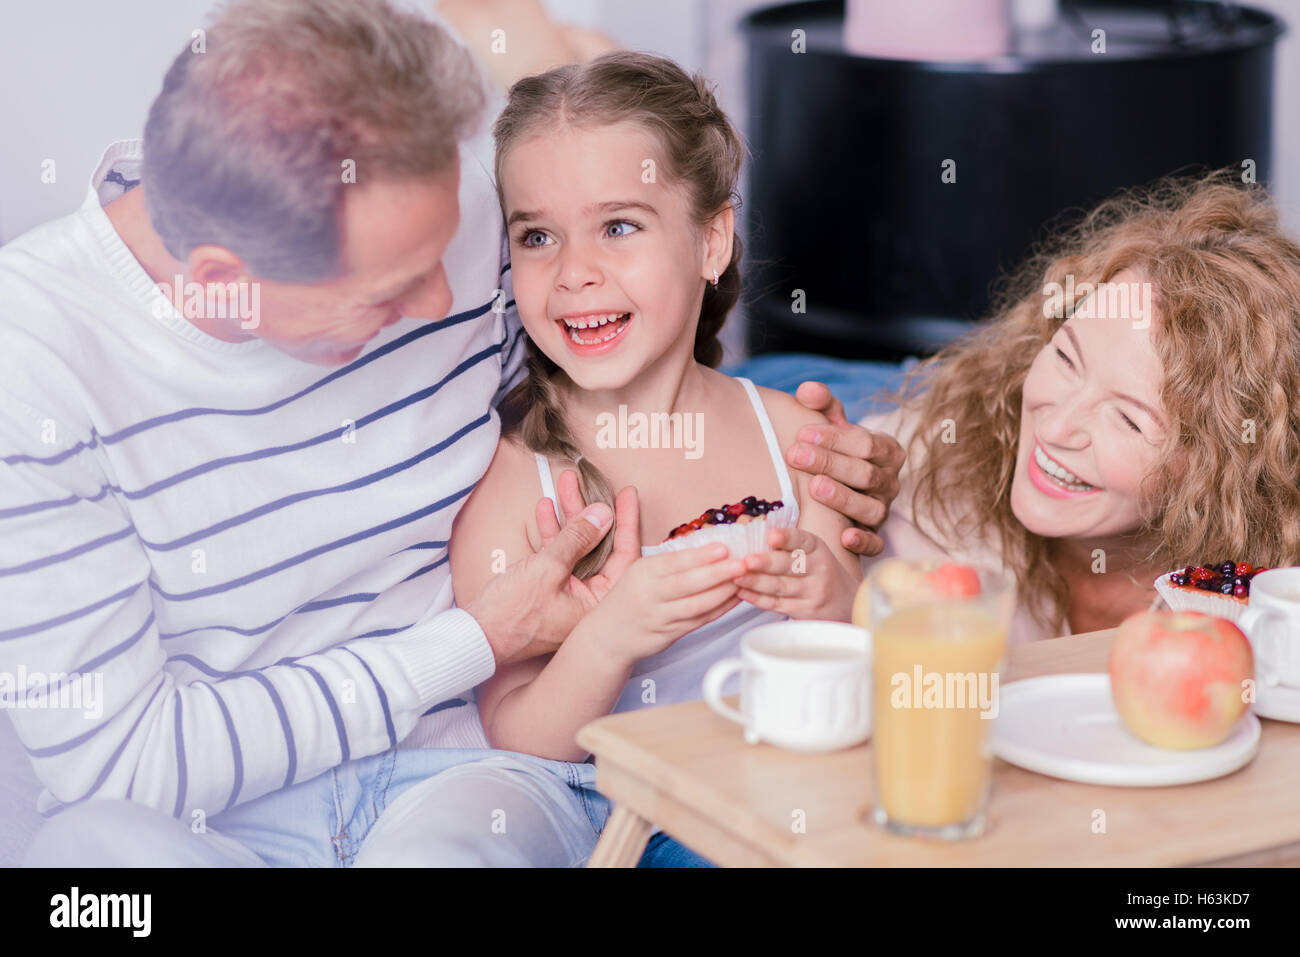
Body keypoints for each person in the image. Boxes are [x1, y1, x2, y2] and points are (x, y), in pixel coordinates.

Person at [2, 0, 903, 867]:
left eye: (461, 247)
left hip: (471, 779)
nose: (452, 300)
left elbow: (641, 326)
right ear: (221, 280)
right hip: (228, 816)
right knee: (81, 858)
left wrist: (849, 449)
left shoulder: (443, 202)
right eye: (390, 293)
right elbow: (125, 769)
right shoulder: (35, 363)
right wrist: (474, 640)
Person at [446, 52, 862, 773]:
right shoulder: (516, 481)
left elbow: (857, 654)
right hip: (638, 816)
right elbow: (515, 736)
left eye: (618, 226)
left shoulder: (797, 438)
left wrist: (829, 596)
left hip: (792, 784)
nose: (574, 271)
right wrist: (613, 633)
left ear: (711, 241)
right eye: (538, 237)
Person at [855, 173, 1300, 643]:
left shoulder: (1271, 601)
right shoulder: (910, 476)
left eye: (1129, 419)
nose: (1057, 425)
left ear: (1221, 465)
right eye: (1066, 358)